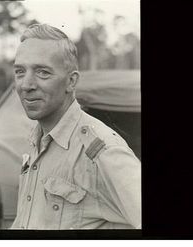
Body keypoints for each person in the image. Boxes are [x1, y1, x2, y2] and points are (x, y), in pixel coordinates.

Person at [10, 24, 141, 230]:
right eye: (20, 71)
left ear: (71, 81)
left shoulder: (102, 151)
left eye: (43, 72)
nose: (26, 85)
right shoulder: (39, 138)